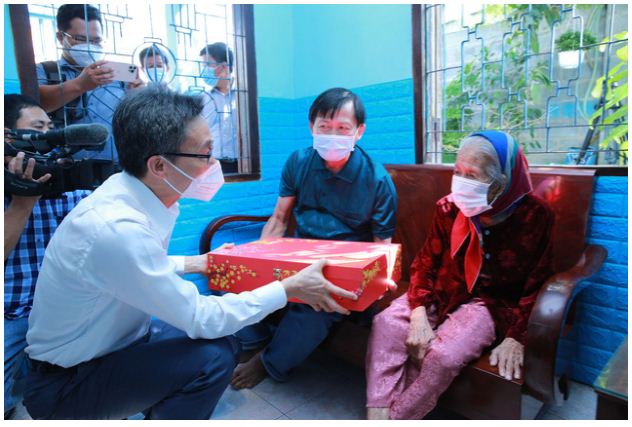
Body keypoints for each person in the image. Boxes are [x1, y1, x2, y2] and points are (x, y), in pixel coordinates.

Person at [21, 85, 358, 420]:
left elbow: (136, 266)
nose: (214, 164)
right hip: (66, 382)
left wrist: (197, 263)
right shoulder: (117, 227)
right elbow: (201, 318)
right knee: (212, 356)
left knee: (227, 343)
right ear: (159, 166)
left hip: (112, 345)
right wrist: (288, 289)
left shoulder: (132, 195)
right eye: (204, 154)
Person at [365, 131, 555, 420]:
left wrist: (516, 337)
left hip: (490, 305)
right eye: (458, 171)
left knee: (443, 356)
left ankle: (398, 418)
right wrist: (418, 313)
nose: (461, 182)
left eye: (473, 175)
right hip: (442, 290)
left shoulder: (536, 216)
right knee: (387, 323)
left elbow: (537, 282)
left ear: (501, 182)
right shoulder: (449, 207)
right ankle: (376, 414)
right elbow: (425, 263)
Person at [230, 87, 398, 389]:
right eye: (324, 126)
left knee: (316, 304)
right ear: (312, 127)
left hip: (343, 269)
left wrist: (369, 289)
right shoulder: (298, 162)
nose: (332, 135)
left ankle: (269, 363)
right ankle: (254, 339)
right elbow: (279, 219)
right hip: (298, 254)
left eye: (343, 128)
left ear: (359, 131)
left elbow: (381, 250)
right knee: (242, 273)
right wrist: (256, 260)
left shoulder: (377, 180)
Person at [3, 94, 91, 419]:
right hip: (8, 314)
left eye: (50, 128)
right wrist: (22, 204)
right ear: (7, 137)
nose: (48, 137)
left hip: (57, 313)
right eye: (38, 128)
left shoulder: (65, 186)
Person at [36, 4, 143, 160]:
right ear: (60, 37)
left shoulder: (118, 75)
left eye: (96, 41)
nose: (89, 46)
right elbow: (36, 105)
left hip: (117, 166)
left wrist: (139, 97)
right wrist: (80, 85)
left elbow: (137, 123)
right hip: (65, 167)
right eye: (80, 39)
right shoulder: (45, 71)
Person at [199, 42, 239, 174]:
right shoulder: (203, 98)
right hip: (211, 163)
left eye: (207, 65)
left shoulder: (243, 96)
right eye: (202, 66)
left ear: (224, 67)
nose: (204, 70)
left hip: (242, 162)